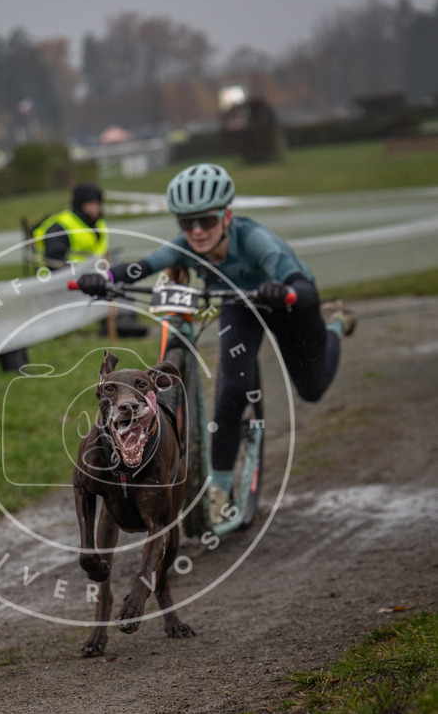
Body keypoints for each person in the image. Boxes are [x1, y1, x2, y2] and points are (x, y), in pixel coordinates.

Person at [76, 162, 355, 528]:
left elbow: (303, 287)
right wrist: (105, 278)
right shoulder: (186, 244)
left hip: (288, 304)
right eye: (186, 223)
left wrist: (282, 289)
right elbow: (144, 265)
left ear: (227, 215)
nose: (196, 231)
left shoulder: (255, 241)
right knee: (233, 387)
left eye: (206, 221)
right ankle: (220, 490)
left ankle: (333, 322)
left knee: (313, 388)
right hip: (241, 303)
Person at [32, 183, 109, 269]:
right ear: (80, 205)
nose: (96, 208)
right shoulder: (61, 227)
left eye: (98, 203)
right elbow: (55, 262)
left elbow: (103, 254)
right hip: (63, 277)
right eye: (91, 204)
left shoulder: (99, 224)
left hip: (93, 273)